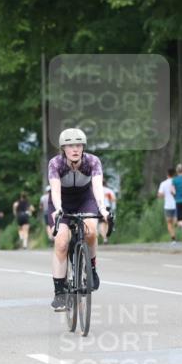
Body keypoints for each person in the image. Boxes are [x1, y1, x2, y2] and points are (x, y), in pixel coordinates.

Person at [48, 128, 111, 310]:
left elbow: (98, 188)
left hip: (86, 199)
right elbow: (55, 190)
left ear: (83, 147)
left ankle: (91, 269)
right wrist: (59, 209)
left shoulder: (92, 161)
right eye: (70, 146)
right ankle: (60, 292)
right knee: (61, 242)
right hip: (62, 202)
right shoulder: (56, 163)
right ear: (63, 148)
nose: (75, 149)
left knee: (91, 230)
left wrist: (102, 209)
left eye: (78, 145)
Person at [157, 168, 177, 245]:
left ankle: (173, 238)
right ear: (174, 174)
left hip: (167, 205)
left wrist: (163, 195)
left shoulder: (163, 183)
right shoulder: (176, 182)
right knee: (176, 221)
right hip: (176, 204)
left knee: (169, 223)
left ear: (167, 174)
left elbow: (159, 195)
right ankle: (178, 224)